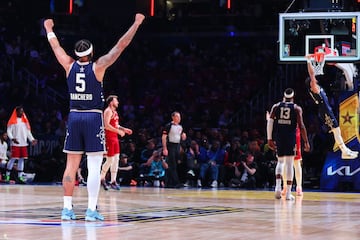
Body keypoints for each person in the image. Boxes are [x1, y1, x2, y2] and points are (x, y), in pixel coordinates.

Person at [44, 13, 145, 221]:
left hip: (74, 117)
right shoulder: (98, 66)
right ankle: (91, 210)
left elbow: (56, 47)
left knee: (70, 166)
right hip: (92, 118)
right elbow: (121, 45)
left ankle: (66, 209)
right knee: (93, 167)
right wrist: (136, 23)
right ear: (92, 53)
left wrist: (48, 29)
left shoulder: (68, 64)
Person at [306, 56, 358, 159]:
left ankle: (345, 150)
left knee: (336, 130)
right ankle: (344, 151)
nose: (315, 79)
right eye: (313, 81)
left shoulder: (317, 88)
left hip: (325, 109)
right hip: (324, 111)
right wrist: (308, 61)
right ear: (311, 84)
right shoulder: (314, 88)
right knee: (336, 130)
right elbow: (312, 74)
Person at [267, 88, 310, 200]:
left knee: (280, 162)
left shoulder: (276, 106)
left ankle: (277, 188)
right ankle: (288, 194)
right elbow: (301, 126)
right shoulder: (296, 108)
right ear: (293, 97)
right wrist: (306, 141)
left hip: (279, 136)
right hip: (291, 138)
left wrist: (269, 138)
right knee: (290, 164)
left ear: (284, 97)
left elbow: (270, 123)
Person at [100, 95, 132, 191]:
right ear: (111, 102)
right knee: (109, 160)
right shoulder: (108, 111)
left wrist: (124, 129)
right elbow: (106, 125)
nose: (117, 102)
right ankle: (101, 178)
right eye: (116, 101)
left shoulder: (115, 112)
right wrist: (118, 131)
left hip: (114, 138)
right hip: (109, 138)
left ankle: (113, 181)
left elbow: (116, 124)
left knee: (116, 160)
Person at [6, 106, 37, 184]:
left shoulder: (25, 121)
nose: (21, 112)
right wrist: (12, 138)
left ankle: (20, 177)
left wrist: (32, 139)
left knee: (22, 159)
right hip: (15, 143)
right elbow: (9, 131)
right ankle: (7, 176)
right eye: (20, 111)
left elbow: (28, 132)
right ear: (16, 112)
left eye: (22, 111)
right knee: (13, 159)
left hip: (23, 143)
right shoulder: (13, 121)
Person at [162, 111, 186, 188]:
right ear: (173, 117)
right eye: (177, 117)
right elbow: (164, 137)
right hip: (171, 146)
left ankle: (169, 183)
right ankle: (175, 182)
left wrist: (183, 136)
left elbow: (181, 136)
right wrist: (165, 148)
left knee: (176, 164)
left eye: (179, 117)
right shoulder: (169, 126)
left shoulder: (180, 127)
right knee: (172, 165)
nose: (179, 118)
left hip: (177, 146)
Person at [282, 127, 303, 196]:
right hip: (285, 131)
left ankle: (298, 187)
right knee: (285, 162)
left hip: (293, 132)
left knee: (295, 162)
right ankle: (285, 186)